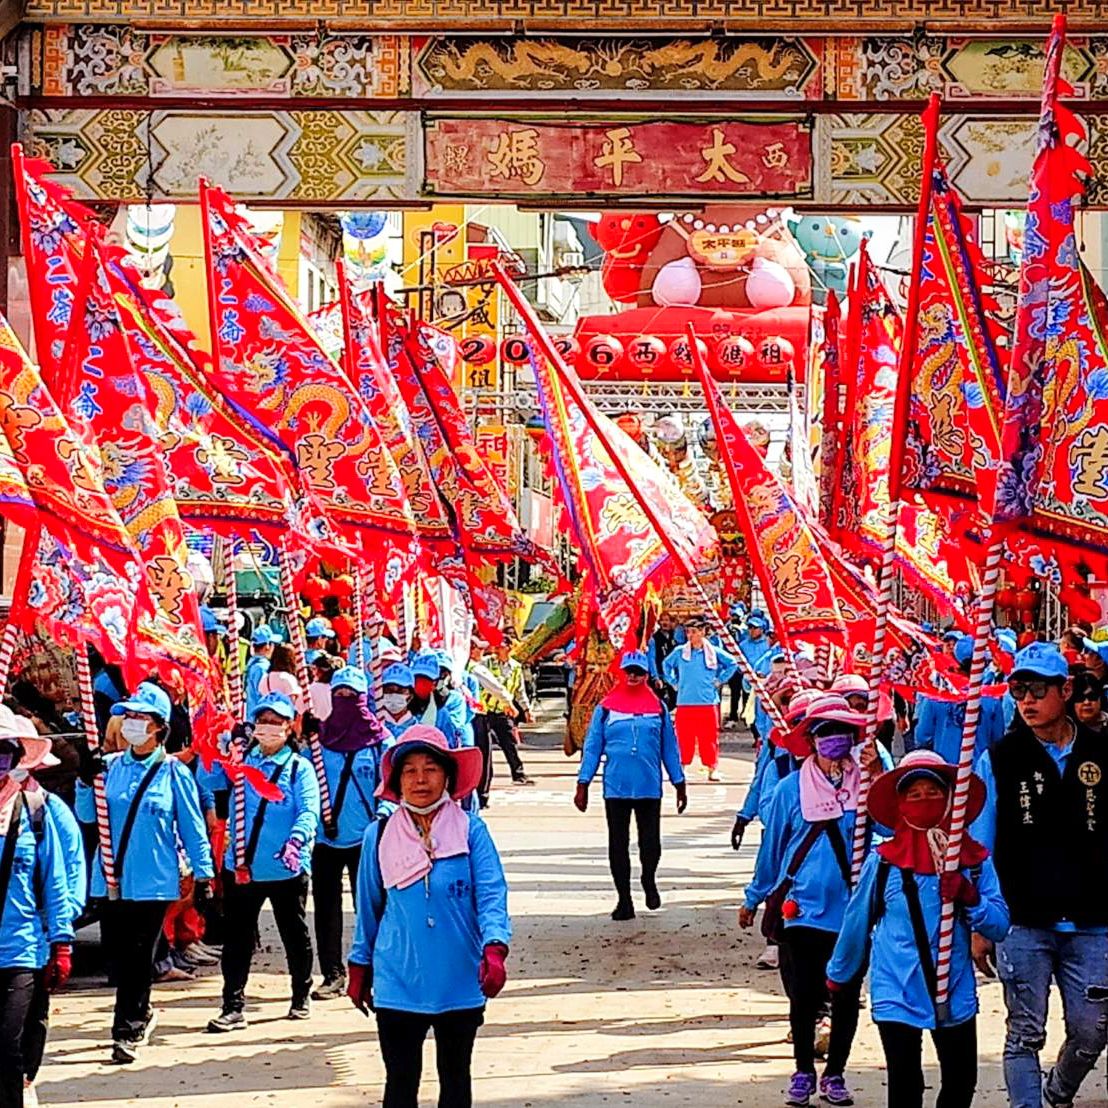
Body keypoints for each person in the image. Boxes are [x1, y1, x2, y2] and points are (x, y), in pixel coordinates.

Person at [828, 751, 1010, 1108]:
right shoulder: (882, 863)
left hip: (953, 987)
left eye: (934, 792)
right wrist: (839, 974)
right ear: (900, 803)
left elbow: (1000, 924)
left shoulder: (973, 861)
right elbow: (856, 922)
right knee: (906, 1085)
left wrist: (970, 898)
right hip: (896, 985)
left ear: (950, 800)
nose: (925, 800)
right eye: (914, 794)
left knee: (961, 1082)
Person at [970, 641, 1108, 1108]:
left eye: (1037, 689)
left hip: (1093, 918)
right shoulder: (999, 759)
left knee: (1092, 1029)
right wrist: (982, 923)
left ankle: (1059, 1090)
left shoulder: (1102, 755)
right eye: (1018, 689)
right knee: (1024, 1031)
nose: (1026, 700)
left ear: (1065, 690)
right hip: (1023, 917)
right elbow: (980, 846)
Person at [347, 724, 511, 1107]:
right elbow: (368, 905)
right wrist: (359, 965)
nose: (420, 779)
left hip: (459, 977)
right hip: (397, 978)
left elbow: (491, 895)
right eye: (410, 770)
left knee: (455, 1081)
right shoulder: (379, 834)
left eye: (431, 768)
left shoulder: (472, 831)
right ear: (397, 780)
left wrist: (495, 949)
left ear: (448, 776)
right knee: (400, 1083)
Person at [739, 693, 875, 1108]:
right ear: (811, 737)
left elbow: (889, 830)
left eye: (842, 731)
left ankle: (835, 1073)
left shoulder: (867, 785)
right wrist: (755, 896)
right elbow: (773, 849)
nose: (834, 738)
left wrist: (879, 771)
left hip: (853, 910)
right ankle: (802, 1071)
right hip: (802, 908)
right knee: (803, 994)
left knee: (847, 995)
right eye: (825, 731)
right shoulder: (788, 790)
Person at [77, 681, 214, 1063]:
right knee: (119, 956)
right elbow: (88, 816)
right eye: (128, 716)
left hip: (154, 879)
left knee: (138, 954)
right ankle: (142, 1011)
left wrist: (204, 877)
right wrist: (84, 781)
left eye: (140, 717)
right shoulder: (110, 768)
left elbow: (192, 827)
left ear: (158, 727)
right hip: (111, 876)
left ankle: (126, 1029)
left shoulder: (174, 774)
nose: (131, 723)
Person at [204, 692, 321, 1032]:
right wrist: (220, 748)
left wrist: (297, 841)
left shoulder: (299, 769)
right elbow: (208, 779)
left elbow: (308, 810)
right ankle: (233, 1004)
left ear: (288, 728)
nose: (268, 728)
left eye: (276, 722)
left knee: (293, 933)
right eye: (263, 721)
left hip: (285, 867)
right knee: (238, 938)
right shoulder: (241, 763)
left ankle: (301, 994)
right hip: (243, 866)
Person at [9, 706, 86, 1106]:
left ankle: (23, 1079)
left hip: (25, 943)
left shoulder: (45, 812)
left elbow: (65, 875)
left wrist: (61, 935)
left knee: (18, 1035)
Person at [574, 651, 688, 920]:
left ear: (647, 675)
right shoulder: (606, 709)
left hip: (649, 785)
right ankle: (624, 899)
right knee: (618, 843)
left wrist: (679, 782)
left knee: (650, 842)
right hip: (616, 786)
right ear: (621, 673)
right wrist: (583, 783)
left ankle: (649, 878)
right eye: (629, 672)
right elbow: (592, 748)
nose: (633, 676)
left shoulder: (658, 708)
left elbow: (669, 748)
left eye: (639, 672)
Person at [311, 668, 384, 1001]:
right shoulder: (317, 742)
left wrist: (382, 818)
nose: (344, 702)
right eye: (338, 696)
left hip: (367, 839)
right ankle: (332, 973)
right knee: (326, 909)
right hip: (325, 838)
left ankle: (373, 967)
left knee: (369, 907)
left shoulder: (381, 742)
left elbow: (393, 788)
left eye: (351, 696)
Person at [663, 615, 738, 782]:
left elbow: (732, 663)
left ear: (703, 632)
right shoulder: (680, 652)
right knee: (684, 737)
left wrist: (720, 680)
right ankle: (681, 767)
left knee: (709, 737)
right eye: (688, 632)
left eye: (694, 631)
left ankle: (712, 768)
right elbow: (666, 665)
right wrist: (673, 681)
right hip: (685, 701)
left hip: (708, 701)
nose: (690, 635)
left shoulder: (713, 651)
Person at [913, 637, 1006, 765]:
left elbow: (922, 738)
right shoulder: (992, 699)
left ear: (954, 663)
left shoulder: (936, 696)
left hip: (946, 774)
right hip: (980, 774)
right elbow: (998, 741)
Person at [479, 641, 534, 789]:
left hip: (504, 712)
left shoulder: (516, 667)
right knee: (484, 746)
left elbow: (519, 691)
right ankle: (481, 779)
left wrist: (527, 710)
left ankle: (518, 774)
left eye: (500, 646)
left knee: (509, 744)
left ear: (509, 648)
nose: (496, 648)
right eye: (496, 646)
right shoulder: (486, 663)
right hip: (485, 711)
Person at [734, 611, 774, 727]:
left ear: (762, 629)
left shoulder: (767, 644)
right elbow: (738, 662)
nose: (752, 630)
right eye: (750, 627)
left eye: (755, 628)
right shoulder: (743, 644)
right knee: (749, 706)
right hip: (748, 680)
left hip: (765, 681)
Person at [646, 612, 679, 711]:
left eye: (667, 620)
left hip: (672, 676)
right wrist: (655, 677)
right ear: (659, 622)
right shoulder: (654, 639)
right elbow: (651, 659)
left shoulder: (674, 637)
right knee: (661, 704)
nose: (665, 623)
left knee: (674, 702)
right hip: (660, 675)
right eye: (662, 620)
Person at [244, 626, 278, 720]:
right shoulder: (262, 667)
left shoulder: (251, 664)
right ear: (267, 646)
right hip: (258, 717)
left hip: (251, 714)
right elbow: (263, 694)